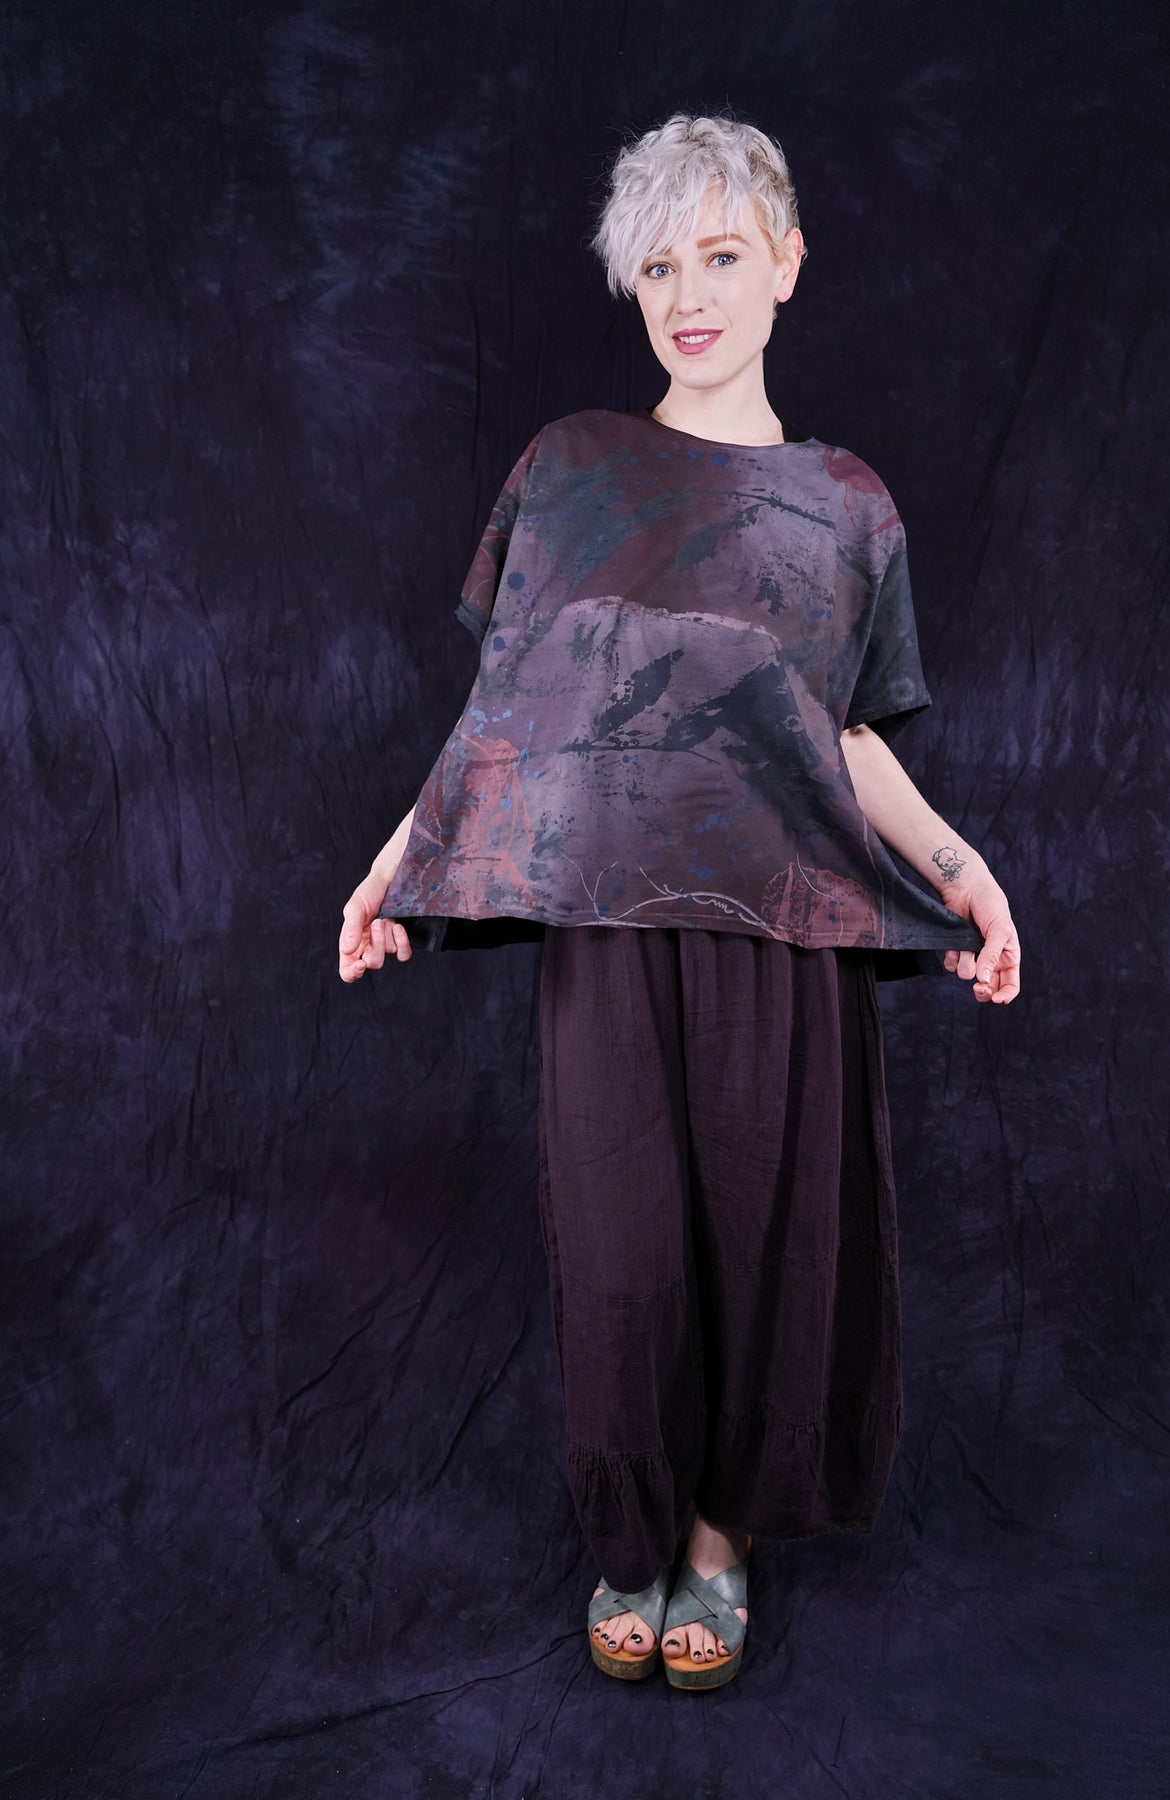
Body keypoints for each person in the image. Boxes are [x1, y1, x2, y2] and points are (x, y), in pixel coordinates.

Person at [338, 112, 1020, 1692]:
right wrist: (393, 871)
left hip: (788, 936)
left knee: (772, 1243)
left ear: (787, 262)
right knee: (624, 1246)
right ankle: (631, 1532)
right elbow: (504, 716)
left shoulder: (848, 505)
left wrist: (965, 873)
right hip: (609, 936)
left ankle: (722, 1536)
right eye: (658, 266)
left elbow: (845, 739)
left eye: (720, 255)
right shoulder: (571, 465)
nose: (689, 293)